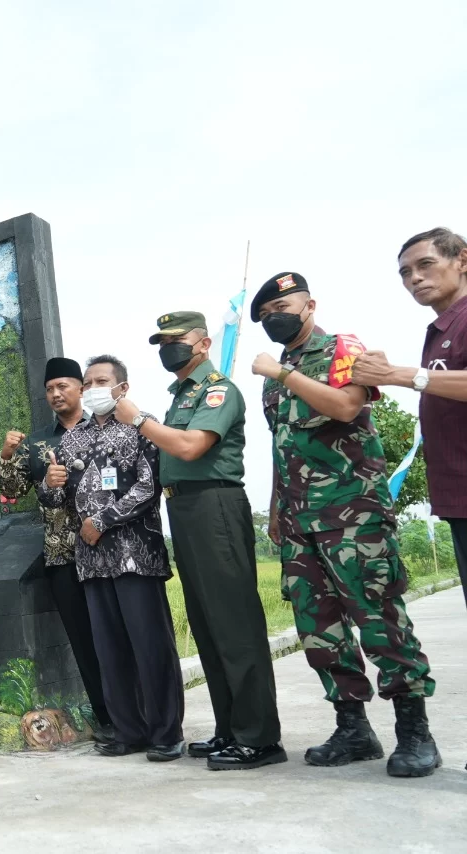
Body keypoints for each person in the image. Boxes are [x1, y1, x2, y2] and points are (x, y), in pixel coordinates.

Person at [251, 272, 438, 777]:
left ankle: (415, 733)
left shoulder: (342, 349)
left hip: (352, 514)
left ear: (309, 304)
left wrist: (281, 374)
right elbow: (282, 445)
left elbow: (347, 405)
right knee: (319, 628)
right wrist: (275, 508)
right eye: (265, 314)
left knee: (379, 619)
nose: (274, 317)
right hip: (297, 520)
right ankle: (353, 728)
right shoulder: (283, 366)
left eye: (282, 306)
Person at [114, 313, 286, 771]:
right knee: (208, 625)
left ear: (204, 344)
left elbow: (191, 448)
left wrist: (139, 419)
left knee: (234, 622)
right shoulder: (183, 395)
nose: (168, 348)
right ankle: (230, 728)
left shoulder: (218, 390)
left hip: (215, 507)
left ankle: (260, 738)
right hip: (186, 510)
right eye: (162, 342)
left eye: (176, 340)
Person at [39, 355, 183, 762]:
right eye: (88, 381)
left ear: (122, 388)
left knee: (150, 646)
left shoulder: (142, 428)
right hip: (92, 562)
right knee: (110, 650)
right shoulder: (72, 439)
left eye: (101, 380)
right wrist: (50, 486)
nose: (93, 387)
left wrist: (103, 520)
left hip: (136, 556)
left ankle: (165, 732)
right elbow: (59, 498)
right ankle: (128, 730)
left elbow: (147, 486)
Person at [0, 356, 112, 744]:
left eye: (63, 386)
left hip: (109, 550)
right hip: (63, 555)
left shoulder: (103, 427)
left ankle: (143, 712)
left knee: (118, 633)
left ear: (81, 388)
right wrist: (8, 455)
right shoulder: (38, 441)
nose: (56, 393)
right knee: (83, 641)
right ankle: (108, 720)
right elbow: (11, 491)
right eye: (49, 389)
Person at [353, 228, 467, 615]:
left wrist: (398, 375)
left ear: (462, 261)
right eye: (405, 272)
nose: (414, 278)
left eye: (426, 265)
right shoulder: (441, 329)